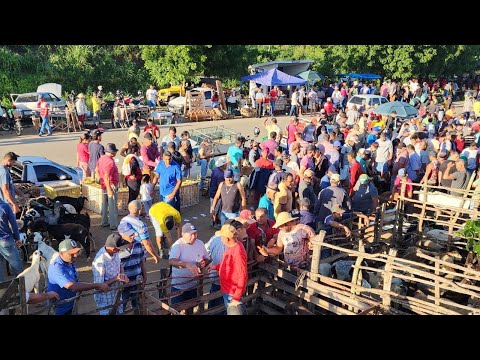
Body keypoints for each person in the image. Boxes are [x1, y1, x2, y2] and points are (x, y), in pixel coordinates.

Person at [48, 239, 109, 315]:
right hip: (59, 309)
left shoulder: (70, 262)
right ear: (61, 253)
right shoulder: (56, 268)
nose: (75, 255)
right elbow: (73, 286)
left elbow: (75, 281)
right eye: (71, 254)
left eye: (76, 252)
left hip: (71, 303)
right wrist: (97, 285)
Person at [208, 223, 247, 315]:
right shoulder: (233, 247)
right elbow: (228, 265)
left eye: (222, 237)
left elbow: (242, 275)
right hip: (229, 290)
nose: (221, 239)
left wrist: (236, 297)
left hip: (232, 293)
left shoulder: (237, 252)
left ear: (227, 238)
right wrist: (215, 267)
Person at [168, 223, 209, 306]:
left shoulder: (200, 243)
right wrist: (186, 264)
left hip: (193, 285)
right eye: (191, 234)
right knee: (177, 308)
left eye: (195, 233)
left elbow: (207, 258)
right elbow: (171, 261)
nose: (194, 236)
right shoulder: (178, 245)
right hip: (179, 285)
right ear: (183, 234)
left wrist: (203, 262)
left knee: (191, 307)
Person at [92, 233, 130, 315]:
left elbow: (119, 264)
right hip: (106, 300)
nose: (120, 250)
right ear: (113, 248)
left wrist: (122, 274)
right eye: (118, 249)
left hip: (117, 295)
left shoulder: (115, 253)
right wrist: (116, 278)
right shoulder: (100, 260)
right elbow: (99, 286)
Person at [117, 224, 147, 311]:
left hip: (137, 282)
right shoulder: (117, 249)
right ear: (121, 234)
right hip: (123, 285)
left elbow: (141, 262)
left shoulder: (137, 245)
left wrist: (145, 277)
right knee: (121, 308)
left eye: (133, 233)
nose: (133, 236)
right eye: (129, 234)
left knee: (137, 306)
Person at [96, 143, 120, 230]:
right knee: (112, 206)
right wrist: (109, 189)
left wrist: (100, 181)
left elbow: (97, 170)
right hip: (111, 185)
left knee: (104, 204)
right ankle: (113, 224)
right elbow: (107, 176)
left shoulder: (101, 159)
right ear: (112, 152)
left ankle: (104, 221)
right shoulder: (110, 162)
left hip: (104, 185)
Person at [0, 200, 23, 282]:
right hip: (6, 240)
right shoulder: (5, 207)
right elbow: (14, 224)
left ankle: (3, 291)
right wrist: (17, 238)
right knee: (17, 266)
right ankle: (23, 289)